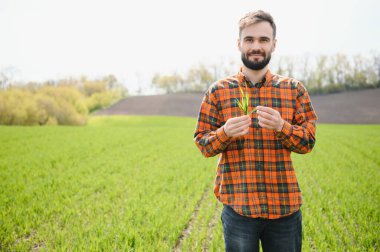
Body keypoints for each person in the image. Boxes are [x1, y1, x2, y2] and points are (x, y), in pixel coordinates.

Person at [194, 10, 318, 252]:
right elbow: (203, 144)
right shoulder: (218, 91)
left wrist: (282, 127)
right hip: (239, 209)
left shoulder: (294, 90)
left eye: (263, 40)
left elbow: (308, 142)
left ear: (274, 44)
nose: (256, 46)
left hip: (284, 209)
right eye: (249, 39)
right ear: (239, 43)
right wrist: (225, 133)